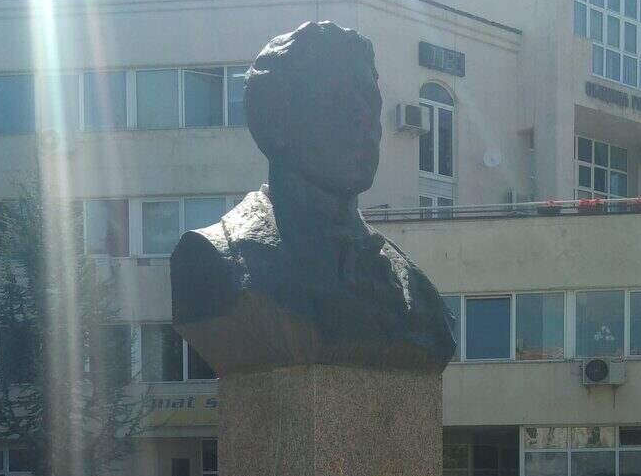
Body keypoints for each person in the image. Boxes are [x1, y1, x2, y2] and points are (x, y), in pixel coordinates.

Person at [170, 20, 455, 375]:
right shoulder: (215, 261)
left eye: (370, 101)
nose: (364, 120)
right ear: (275, 121)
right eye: (337, 99)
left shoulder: (418, 295)